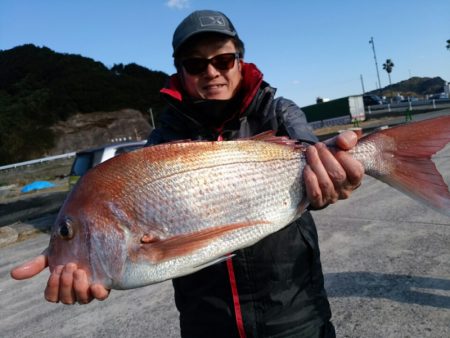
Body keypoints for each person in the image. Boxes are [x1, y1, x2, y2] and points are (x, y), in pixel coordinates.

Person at [11, 10, 364, 338]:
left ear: (239, 61)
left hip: (296, 313)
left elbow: (317, 169)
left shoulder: (277, 112)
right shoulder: (162, 139)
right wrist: (71, 255)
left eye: (223, 60)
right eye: (195, 65)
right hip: (207, 324)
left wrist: (334, 177)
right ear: (180, 70)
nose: (211, 72)